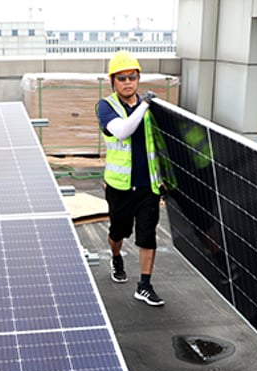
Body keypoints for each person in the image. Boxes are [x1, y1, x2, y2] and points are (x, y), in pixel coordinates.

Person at [96, 50, 166, 306]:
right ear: (113, 81)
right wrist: (145, 105)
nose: (128, 83)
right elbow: (123, 131)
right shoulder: (106, 107)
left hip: (148, 186)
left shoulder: (151, 106)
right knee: (118, 232)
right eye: (122, 78)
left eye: (132, 77)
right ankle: (116, 257)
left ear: (138, 79)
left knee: (148, 236)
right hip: (120, 187)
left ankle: (144, 285)